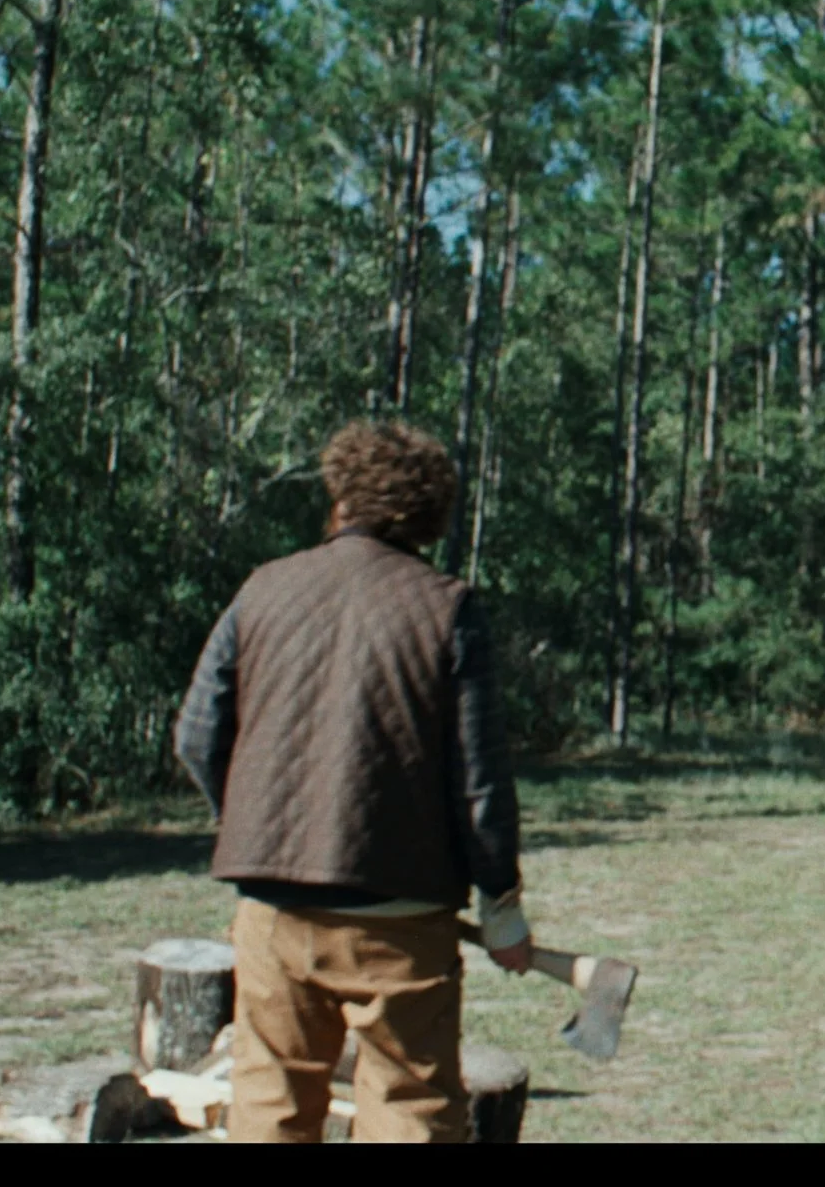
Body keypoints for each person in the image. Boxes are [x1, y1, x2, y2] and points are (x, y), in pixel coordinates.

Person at [175, 420, 531, 1143]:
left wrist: (254, 825)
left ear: (339, 498)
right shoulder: (447, 606)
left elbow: (197, 737)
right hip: (399, 923)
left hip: (272, 914)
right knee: (409, 1112)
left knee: (268, 1109)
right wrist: (502, 905)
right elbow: (480, 786)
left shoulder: (262, 588)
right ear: (428, 517)